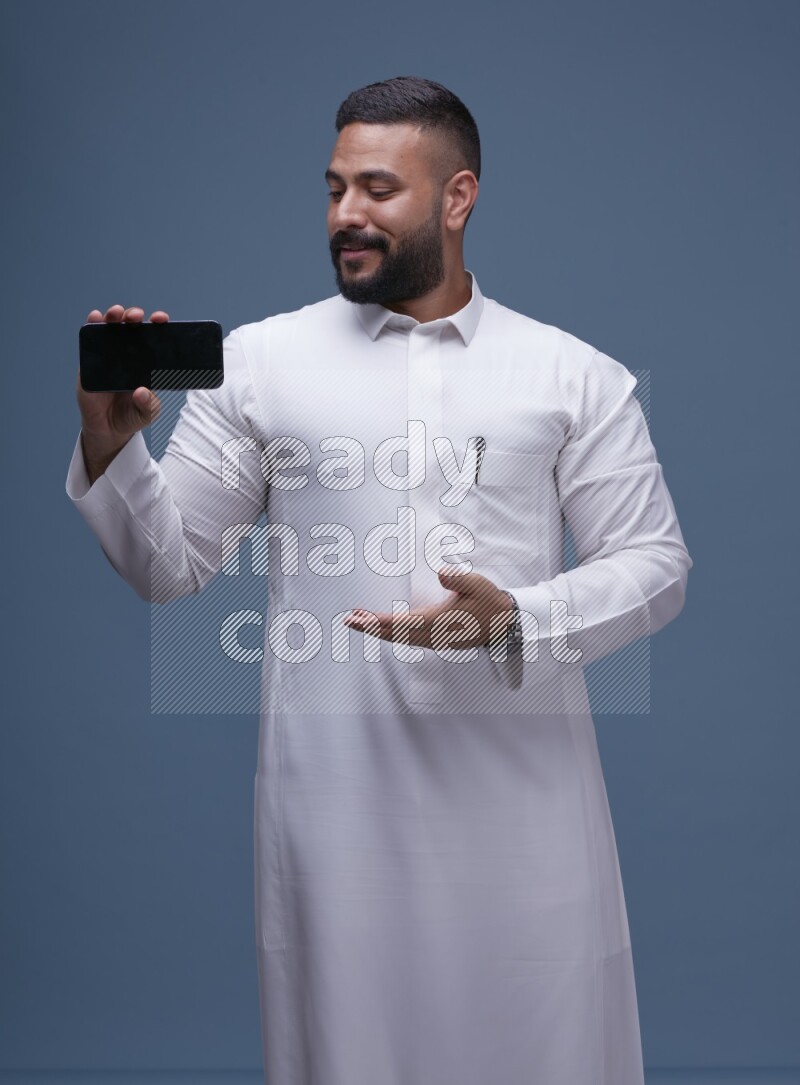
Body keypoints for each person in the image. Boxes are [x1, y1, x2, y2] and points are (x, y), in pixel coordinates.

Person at [66, 76, 692, 1085]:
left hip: (525, 818)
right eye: (332, 189)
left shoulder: (571, 374)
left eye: (375, 189)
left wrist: (514, 619)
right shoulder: (258, 364)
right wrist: (112, 449)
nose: (344, 215)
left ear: (456, 197)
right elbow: (166, 563)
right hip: (335, 819)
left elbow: (655, 564)